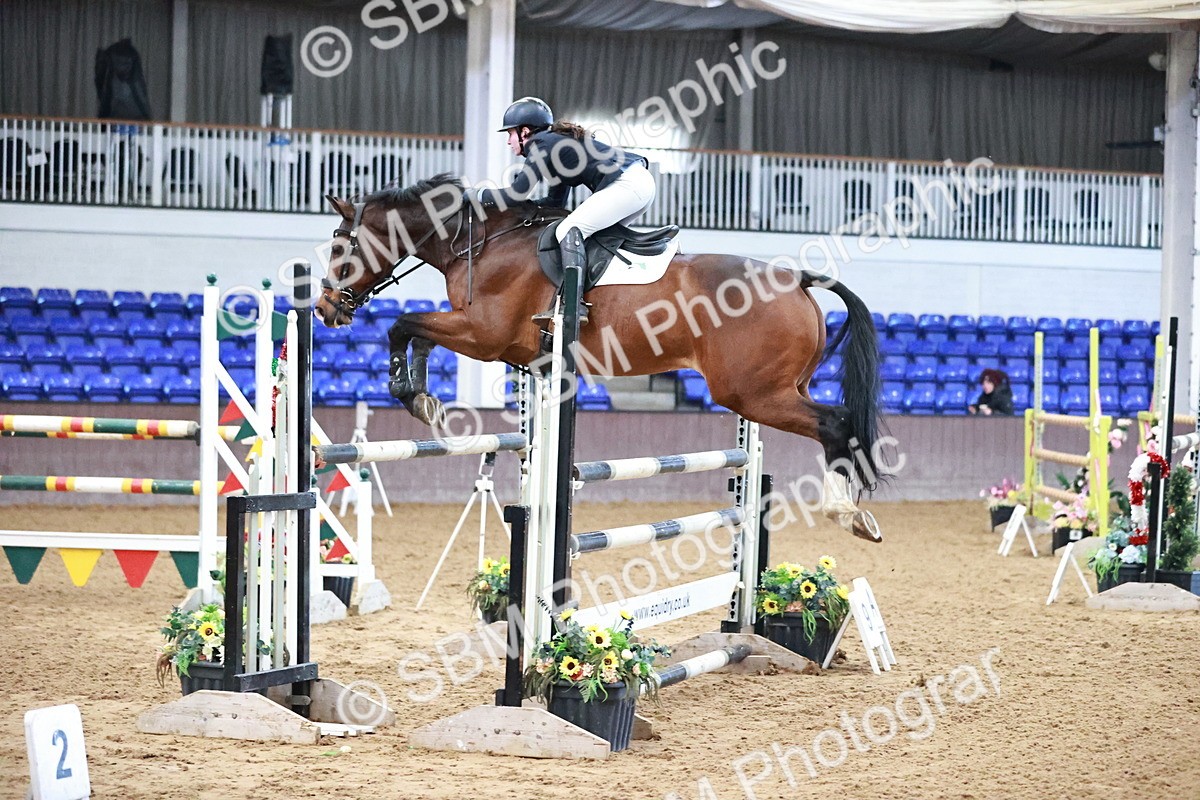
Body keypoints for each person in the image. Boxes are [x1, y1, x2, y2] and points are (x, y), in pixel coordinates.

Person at [483, 97, 657, 323]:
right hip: (638, 183)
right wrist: (525, 210)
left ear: (525, 131)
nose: (508, 141)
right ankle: (605, 299)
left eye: (510, 134)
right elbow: (555, 202)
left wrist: (475, 196)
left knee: (568, 230)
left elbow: (518, 191)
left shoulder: (540, 144)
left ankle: (572, 306)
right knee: (592, 239)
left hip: (629, 184)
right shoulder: (553, 145)